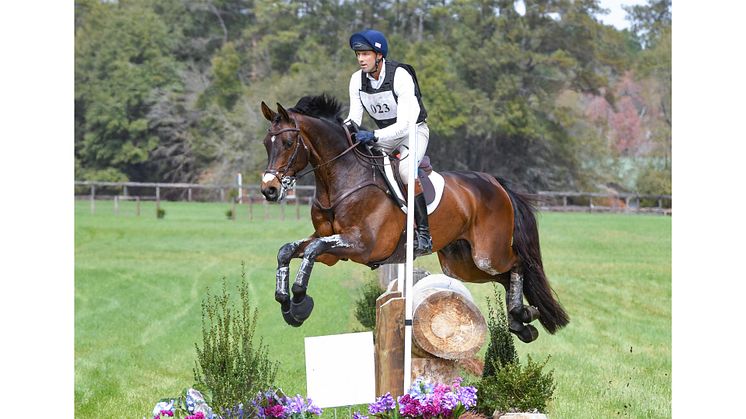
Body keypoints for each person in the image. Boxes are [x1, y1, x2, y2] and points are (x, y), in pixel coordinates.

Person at [343, 29, 432, 257]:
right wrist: (340, 130)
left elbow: (404, 124)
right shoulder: (357, 80)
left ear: (379, 55)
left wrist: (372, 135)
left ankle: (423, 234)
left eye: (365, 54)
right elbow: (354, 119)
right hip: (384, 135)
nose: (361, 59)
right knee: (362, 165)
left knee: (404, 171)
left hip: (413, 132)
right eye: (358, 55)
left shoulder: (400, 75)